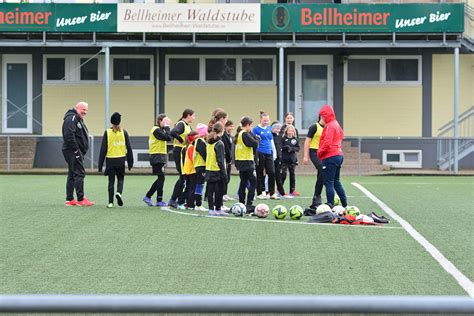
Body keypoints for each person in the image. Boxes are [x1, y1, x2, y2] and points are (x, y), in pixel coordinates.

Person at [98, 112, 134, 208]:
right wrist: (130, 162)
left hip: (110, 160)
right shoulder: (124, 132)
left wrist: (100, 165)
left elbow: (103, 149)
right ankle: (119, 193)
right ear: (119, 122)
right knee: (121, 179)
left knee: (111, 181)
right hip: (121, 160)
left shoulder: (107, 132)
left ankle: (110, 202)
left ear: (111, 121)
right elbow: (129, 148)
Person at [62, 101, 94, 207]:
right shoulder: (71, 118)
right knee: (79, 173)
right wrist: (76, 150)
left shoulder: (77, 118)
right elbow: (69, 135)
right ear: (77, 108)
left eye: (86, 110)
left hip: (74, 150)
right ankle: (80, 199)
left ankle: (69, 199)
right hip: (72, 150)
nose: (85, 112)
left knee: (72, 173)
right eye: (83, 109)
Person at [317, 105, 348, 208]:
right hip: (339, 154)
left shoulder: (330, 125)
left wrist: (320, 152)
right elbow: (341, 136)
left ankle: (330, 205)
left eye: (322, 116)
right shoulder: (336, 124)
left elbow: (327, 142)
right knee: (336, 181)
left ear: (325, 116)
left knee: (328, 182)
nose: (321, 119)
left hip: (330, 156)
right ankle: (345, 205)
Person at [143, 114, 172, 207]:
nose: (166, 122)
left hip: (159, 156)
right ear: (160, 121)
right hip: (157, 156)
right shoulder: (156, 130)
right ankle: (158, 200)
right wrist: (167, 127)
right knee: (161, 177)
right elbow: (168, 138)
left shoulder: (159, 130)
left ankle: (148, 196)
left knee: (160, 177)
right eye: (165, 120)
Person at [169, 109, 195, 208]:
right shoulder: (182, 124)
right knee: (183, 176)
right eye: (193, 115)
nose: (194, 118)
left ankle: (181, 200)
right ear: (188, 115)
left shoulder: (188, 126)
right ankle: (173, 199)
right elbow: (173, 132)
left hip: (184, 152)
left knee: (185, 176)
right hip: (179, 151)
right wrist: (181, 140)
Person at [234, 116, 259, 214]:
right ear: (247, 125)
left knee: (243, 182)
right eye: (250, 125)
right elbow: (254, 143)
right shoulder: (244, 134)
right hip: (247, 161)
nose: (251, 128)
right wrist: (256, 139)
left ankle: (241, 203)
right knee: (253, 182)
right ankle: (249, 204)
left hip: (240, 161)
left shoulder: (239, 134)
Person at [253, 111, 279, 200]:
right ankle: (260, 192)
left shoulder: (269, 128)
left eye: (268, 120)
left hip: (269, 153)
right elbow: (255, 143)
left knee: (271, 172)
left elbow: (271, 141)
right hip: (260, 152)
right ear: (260, 119)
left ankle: (272, 193)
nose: (266, 122)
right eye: (265, 120)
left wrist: (274, 152)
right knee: (260, 173)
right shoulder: (256, 129)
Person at [303, 115, 326, 211]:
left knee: (321, 174)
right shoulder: (314, 127)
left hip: (324, 152)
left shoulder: (329, 127)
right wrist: (305, 155)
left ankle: (316, 198)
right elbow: (307, 141)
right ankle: (317, 196)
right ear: (321, 116)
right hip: (314, 152)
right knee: (322, 169)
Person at [205, 122, 228, 216]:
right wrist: (224, 173)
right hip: (217, 170)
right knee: (219, 190)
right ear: (222, 131)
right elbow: (220, 160)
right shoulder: (219, 143)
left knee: (211, 191)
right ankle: (217, 208)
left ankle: (212, 209)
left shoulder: (209, 142)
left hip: (209, 169)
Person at [279, 112, 300, 196]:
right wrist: (286, 147)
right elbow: (280, 143)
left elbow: (297, 145)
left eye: (291, 118)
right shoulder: (282, 129)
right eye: (288, 118)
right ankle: (279, 190)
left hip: (292, 158)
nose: (289, 119)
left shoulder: (295, 130)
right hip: (284, 157)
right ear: (285, 119)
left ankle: (292, 190)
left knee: (292, 174)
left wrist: (292, 149)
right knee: (283, 174)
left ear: (293, 119)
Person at [180, 131, 199, 210]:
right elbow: (192, 158)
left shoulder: (187, 146)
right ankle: (189, 203)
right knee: (192, 187)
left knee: (189, 187)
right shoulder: (191, 147)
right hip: (191, 170)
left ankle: (186, 203)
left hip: (188, 170)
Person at [193, 123, 209, 211]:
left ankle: (198, 203)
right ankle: (198, 204)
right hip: (200, 166)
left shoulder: (200, 141)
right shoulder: (200, 142)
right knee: (200, 184)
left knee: (200, 184)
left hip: (200, 165)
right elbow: (205, 155)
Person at [271, 121, 287, 198]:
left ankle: (282, 192)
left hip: (278, 159)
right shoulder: (271, 136)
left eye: (279, 128)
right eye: (276, 128)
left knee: (278, 175)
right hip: (271, 158)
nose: (278, 130)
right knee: (271, 175)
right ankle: (269, 192)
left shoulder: (280, 137)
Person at [222, 120, 235, 202]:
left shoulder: (230, 136)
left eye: (232, 126)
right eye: (230, 126)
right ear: (226, 127)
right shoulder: (224, 136)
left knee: (228, 177)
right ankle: (222, 194)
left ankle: (225, 193)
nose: (231, 128)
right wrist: (228, 158)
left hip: (229, 159)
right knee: (224, 177)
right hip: (226, 159)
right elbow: (226, 147)